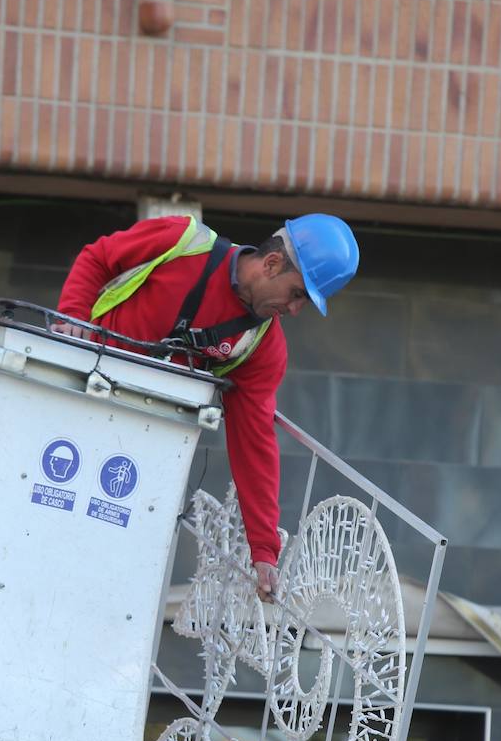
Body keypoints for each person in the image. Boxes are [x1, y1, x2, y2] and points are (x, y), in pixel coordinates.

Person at [55, 212, 359, 600]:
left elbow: (255, 442)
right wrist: (72, 322)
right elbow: (97, 258)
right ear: (272, 263)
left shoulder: (262, 347)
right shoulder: (181, 240)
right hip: (73, 402)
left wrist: (264, 550)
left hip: (135, 455)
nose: (295, 309)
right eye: (297, 293)